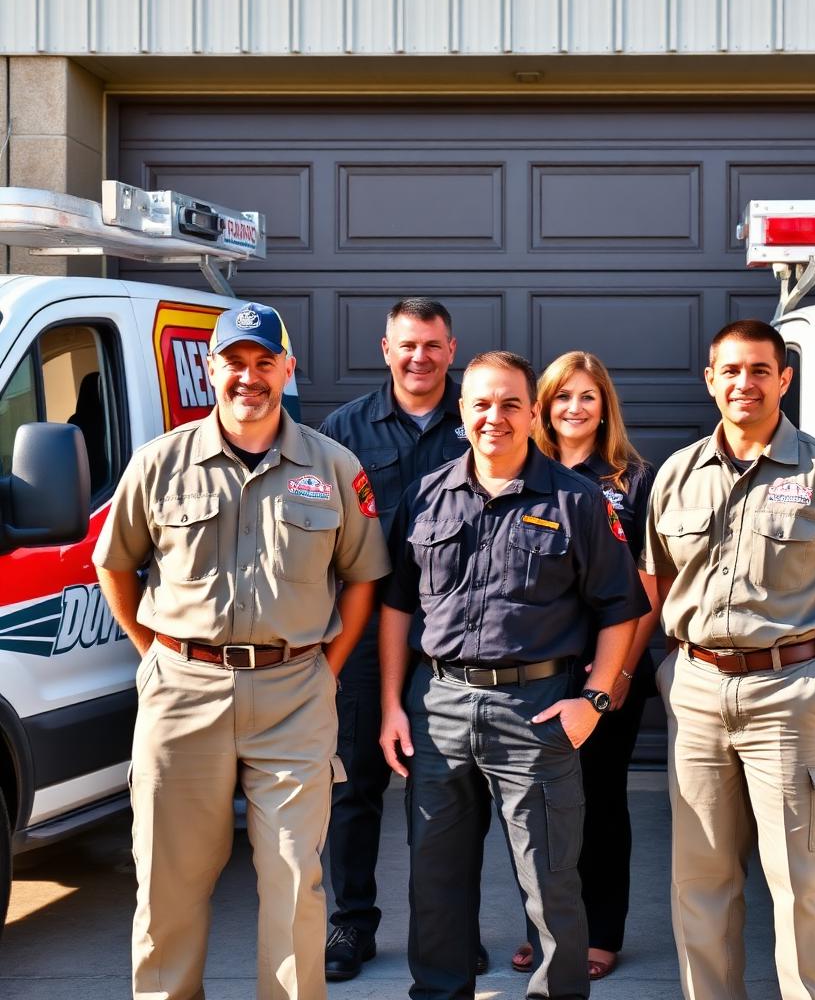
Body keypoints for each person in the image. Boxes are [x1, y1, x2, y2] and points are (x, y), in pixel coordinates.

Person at [93, 302, 391, 1000]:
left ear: (288, 370)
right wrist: (155, 654)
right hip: (181, 693)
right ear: (210, 368)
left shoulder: (334, 467)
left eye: (264, 362)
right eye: (234, 362)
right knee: (167, 881)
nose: (248, 377)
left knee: (294, 881)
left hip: (294, 696)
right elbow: (115, 563)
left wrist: (326, 669)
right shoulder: (160, 463)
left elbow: (362, 578)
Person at [642, 319, 815, 1000]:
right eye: (730, 370)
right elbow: (657, 580)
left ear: (784, 379)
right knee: (700, 883)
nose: (745, 383)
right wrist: (674, 670)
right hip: (697, 697)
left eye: (760, 370)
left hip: (790, 695)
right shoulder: (676, 475)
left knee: (803, 886)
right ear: (710, 380)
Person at [379, 350, 651, 1000]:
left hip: (536, 708)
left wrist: (594, 699)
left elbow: (623, 608)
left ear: (532, 414)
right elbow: (396, 607)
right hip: (438, 706)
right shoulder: (426, 495)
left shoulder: (578, 500)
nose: (494, 417)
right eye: (481, 404)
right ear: (462, 412)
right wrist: (392, 704)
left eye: (510, 404)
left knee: (550, 878)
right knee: (435, 877)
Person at [317, 297, 480, 981]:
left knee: (451, 795)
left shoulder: (478, 418)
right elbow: (322, 532)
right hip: (363, 634)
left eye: (433, 345)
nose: (420, 357)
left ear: (451, 349)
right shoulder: (344, 429)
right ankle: (350, 925)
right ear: (385, 349)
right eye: (407, 345)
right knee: (354, 788)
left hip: (455, 636)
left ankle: (451, 932)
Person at [509, 351, 659, 981]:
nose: (575, 408)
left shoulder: (634, 480)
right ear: (543, 407)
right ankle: (543, 930)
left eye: (588, 397)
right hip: (541, 666)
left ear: (605, 408)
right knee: (535, 805)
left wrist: (619, 672)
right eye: (563, 396)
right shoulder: (521, 470)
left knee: (599, 801)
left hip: (609, 668)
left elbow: (650, 583)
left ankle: (600, 932)